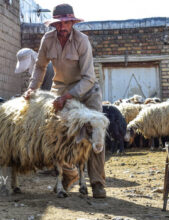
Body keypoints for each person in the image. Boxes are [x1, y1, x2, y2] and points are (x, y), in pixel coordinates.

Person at [23, 3, 106, 198]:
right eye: (57, 24)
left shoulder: (82, 41)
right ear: (53, 25)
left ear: (72, 22)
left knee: (96, 131)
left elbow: (88, 78)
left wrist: (68, 97)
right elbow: (40, 67)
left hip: (86, 90)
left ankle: (97, 184)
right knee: (56, 130)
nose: (61, 28)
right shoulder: (47, 40)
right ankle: (68, 173)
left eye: (65, 23)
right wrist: (32, 88)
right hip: (60, 88)